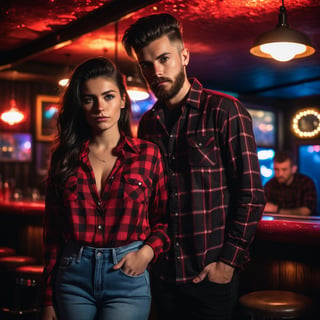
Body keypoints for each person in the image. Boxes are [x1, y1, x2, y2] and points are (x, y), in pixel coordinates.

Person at [122, 13, 265, 320]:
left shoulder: (225, 111)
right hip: (162, 274)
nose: (156, 72)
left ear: (184, 55)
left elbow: (251, 193)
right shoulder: (148, 124)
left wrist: (228, 263)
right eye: (146, 65)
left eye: (164, 59)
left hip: (210, 275)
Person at [42, 57, 170, 320]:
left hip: (127, 274)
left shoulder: (147, 155)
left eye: (108, 96)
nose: (100, 107)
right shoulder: (65, 158)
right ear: (81, 105)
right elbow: (53, 232)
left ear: (123, 100)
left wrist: (146, 253)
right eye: (89, 99)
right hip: (73, 276)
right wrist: (47, 300)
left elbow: (166, 219)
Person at [264, 151, 316, 216]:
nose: (280, 174)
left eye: (284, 169)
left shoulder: (306, 183)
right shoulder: (270, 185)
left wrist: (277, 210)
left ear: (294, 169)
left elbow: (307, 211)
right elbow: (264, 208)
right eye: (276, 169)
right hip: (277, 224)